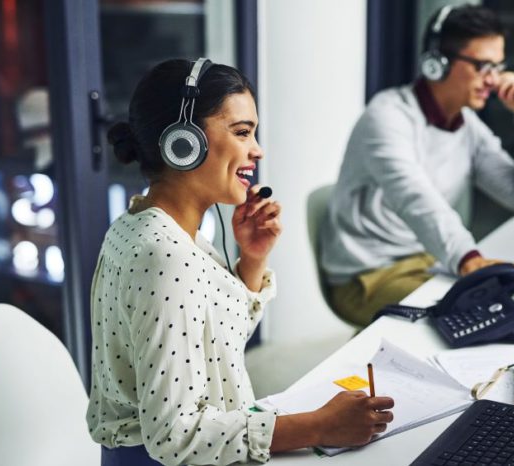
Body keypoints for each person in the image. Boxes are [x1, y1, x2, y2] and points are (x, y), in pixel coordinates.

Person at [86, 59, 394, 466]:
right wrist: (318, 425)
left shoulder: (147, 225)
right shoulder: (166, 256)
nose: (257, 150)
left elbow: (211, 346)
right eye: (242, 132)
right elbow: (176, 436)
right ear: (184, 141)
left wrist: (251, 260)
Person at [320, 5, 514, 327]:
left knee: (508, 304)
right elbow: (417, 199)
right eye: (483, 66)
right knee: (483, 312)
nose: (494, 80)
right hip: (369, 276)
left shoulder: (467, 125)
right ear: (436, 63)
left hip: (432, 259)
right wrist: (472, 262)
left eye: (498, 66)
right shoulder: (387, 117)